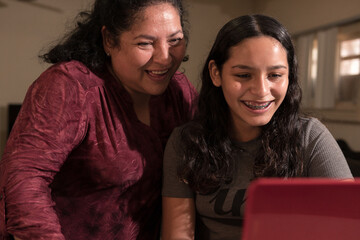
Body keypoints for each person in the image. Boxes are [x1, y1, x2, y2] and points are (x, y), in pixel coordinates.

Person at [0, 0, 198, 239]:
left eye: (175, 41)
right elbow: (24, 179)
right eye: (145, 43)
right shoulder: (70, 85)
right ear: (109, 41)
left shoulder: (180, 91)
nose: (165, 58)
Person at [161, 14, 353, 240]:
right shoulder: (186, 142)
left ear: (289, 76)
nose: (261, 90)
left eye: (275, 75)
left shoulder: (310, 137)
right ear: (216, 73)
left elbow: (348, 225)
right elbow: (178, 235)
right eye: (243, 75)